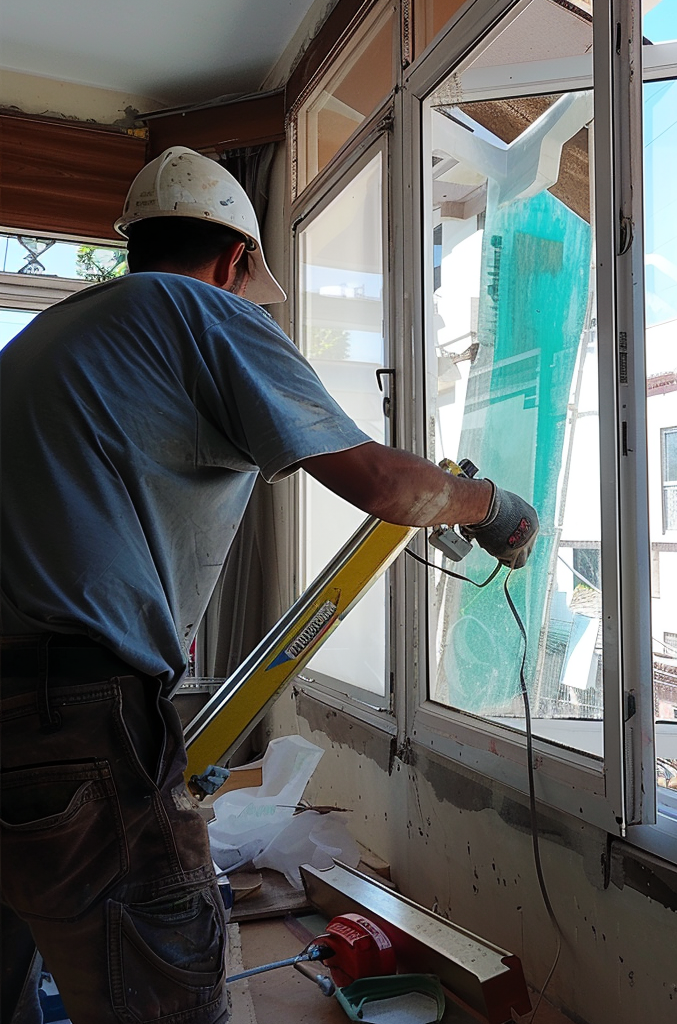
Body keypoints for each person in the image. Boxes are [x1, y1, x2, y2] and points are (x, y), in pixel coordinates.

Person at [0, 146, 538, 1024]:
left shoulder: (56, 339)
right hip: (72, 716)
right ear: (235, 261)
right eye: (249, 286)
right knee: (165, 988)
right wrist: (487, 504)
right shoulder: (199, 310)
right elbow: (385, 485)